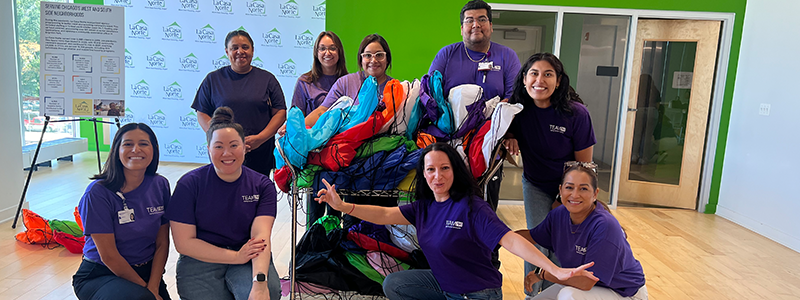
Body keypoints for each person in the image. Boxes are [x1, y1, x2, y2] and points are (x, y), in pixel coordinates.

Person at [315, 142, 597, 300]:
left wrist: (555, 270)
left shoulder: (473, 207)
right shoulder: (424, 206)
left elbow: (510, 239)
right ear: (423, 175)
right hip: (445, 285)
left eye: (445, 168)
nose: (438, 176)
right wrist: (342, 206)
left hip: (477, 293)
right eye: (431, 170)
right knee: (394, 285)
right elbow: (386, 215)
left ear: (455, 170)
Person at [428, 0, 522, 269]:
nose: (475, 25)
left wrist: (510, 132)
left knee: (485, 208)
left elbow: (514, 97)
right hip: (450, 144)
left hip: (489, 145)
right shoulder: (447, 54)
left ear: (491, 26)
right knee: (448, 204)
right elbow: (431, 94)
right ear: (461, 28)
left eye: (481, 19)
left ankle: (487, 265)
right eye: (469, 20)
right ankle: (446, 263)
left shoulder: (506, 57)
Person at [505, 52, 597, 296]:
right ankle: (532, 295)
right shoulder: (516, 110)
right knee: (535, 240)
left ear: (558, 81)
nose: (540, 80)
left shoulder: (576, 114)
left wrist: (565, 199)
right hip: (535, 184)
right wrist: (510, 137)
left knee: (562, 244)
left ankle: (556, 294)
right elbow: (502, 131)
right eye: (534, 73)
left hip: (570, 188)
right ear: (525, 79)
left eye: (548, 74)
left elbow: (584, 167)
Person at [167, 107, 281, 300]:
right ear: (208, 150)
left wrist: (260, 283)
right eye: (218, 146)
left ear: (245, 147)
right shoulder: (189, 184)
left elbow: (260, 236)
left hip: (248, 253)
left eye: (234, 145)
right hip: (201, 256)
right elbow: (184, 243)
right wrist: (235, 257)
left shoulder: (262, 185)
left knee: (264, 294)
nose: (227, 153)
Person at [517, 162, 647, 300]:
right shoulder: (559, 214)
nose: (575, 194)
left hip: (623, 293)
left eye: (583, 189)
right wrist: (497, 236)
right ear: (560, 191)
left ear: (595, 193)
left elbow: (586, 282)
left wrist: (542, 274)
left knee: (569, 296)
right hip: (583, 285)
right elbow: (531, 237)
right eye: (569, 187)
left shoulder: (604, 226)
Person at [72, 123, 171, 300]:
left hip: (146, 271)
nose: (136, 149)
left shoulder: (160, 184)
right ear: (116, 150)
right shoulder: (97, 193)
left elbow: (162, 243)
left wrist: (154, 286)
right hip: (102, 274)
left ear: (154, 150)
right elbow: (109, 256)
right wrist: (148, 292)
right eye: (128, 144)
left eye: (143, 144)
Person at [192, 30, 287, 176]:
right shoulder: (213, 80)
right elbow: (201, 112)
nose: (240, 51)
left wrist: (260, 139)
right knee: (223, 193)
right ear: (226, 51)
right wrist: (220, 137)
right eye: (234, 47)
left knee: (256, 194)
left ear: (253, 50)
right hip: (224, 154)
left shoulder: (267, 79)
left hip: (259, 152)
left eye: (245, 47)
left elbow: (280, 112)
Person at [279, 31, 348, 225]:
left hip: (341, 153)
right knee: (315, 208)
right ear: (316, 53)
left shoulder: (349, 80)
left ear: (339, 52)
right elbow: (297, 117)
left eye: (332, 48)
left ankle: (336, 247)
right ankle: (313, 247)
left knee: (339, 206)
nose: (328, 52)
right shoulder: (305, 82)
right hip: (314, 155)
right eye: (323, 48)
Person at [302, 33, 393, 127]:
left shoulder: (396, 88)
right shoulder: (345, 82)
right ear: (361, 59)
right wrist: (295, 129)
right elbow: (323, 110)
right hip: (347, 140)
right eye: (368, 55)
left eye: (379, 55)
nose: (373, 60)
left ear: (387, 59)